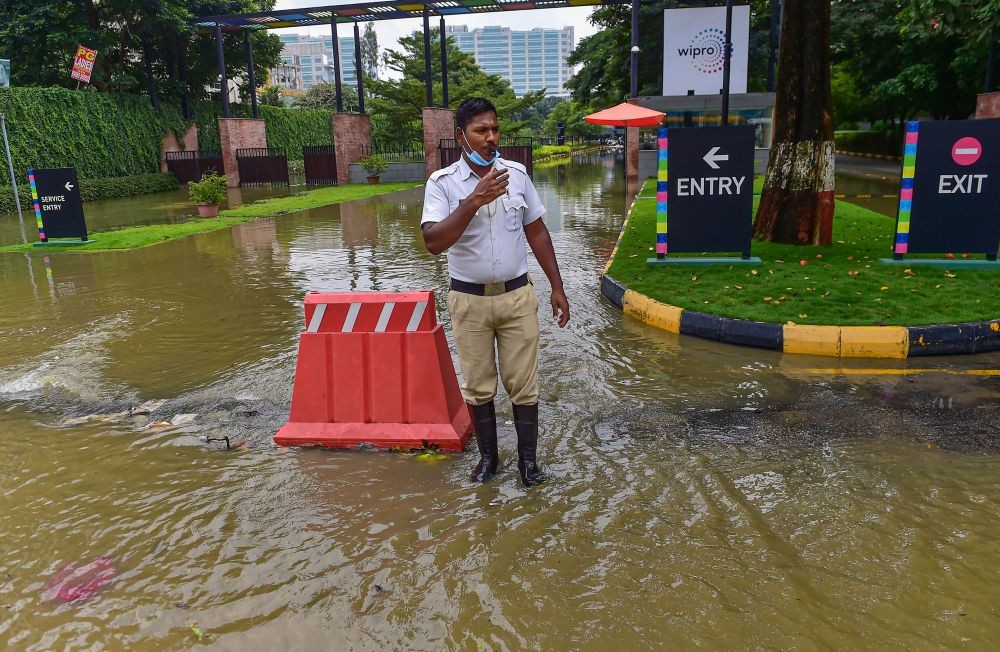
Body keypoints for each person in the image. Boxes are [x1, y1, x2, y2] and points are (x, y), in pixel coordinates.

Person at [421, 97, 570, 487]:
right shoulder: (442, 184)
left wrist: (557, 286)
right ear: (461, 136)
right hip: (468, 300)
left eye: (495, 129)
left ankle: (527, 464)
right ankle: (488, 460)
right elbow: (434, 242)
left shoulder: (516, 175)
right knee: (477, 382)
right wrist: (474, 200)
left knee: (524, 382)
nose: (491, 138)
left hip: (516, 297)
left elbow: (536, 230)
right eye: (480, 131)